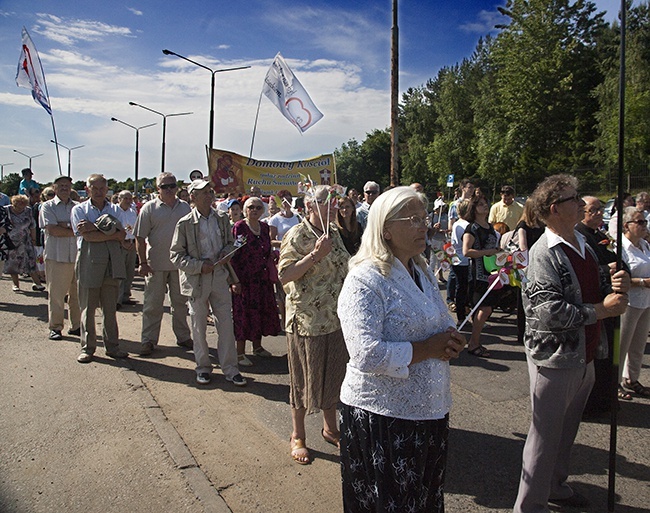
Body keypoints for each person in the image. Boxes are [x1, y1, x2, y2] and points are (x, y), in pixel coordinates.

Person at [337, 186, 466, 512]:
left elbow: (435, 324)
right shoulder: (365, 279)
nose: (425, 226)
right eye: (414, 219)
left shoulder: (420, 270)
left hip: (430, 410)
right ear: (386, 230)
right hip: (384, 418)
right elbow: (365, 353)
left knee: (423, 500)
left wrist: (450, 339)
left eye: (424, 218)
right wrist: (428, 348)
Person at [513, 174, 629, 513]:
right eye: (573, 199)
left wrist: (614, 279)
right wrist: (601, 310)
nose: (581, 204)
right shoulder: (542, 254)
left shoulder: (583, 242)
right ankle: (529, 506)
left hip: (585, 354)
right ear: (555, 209)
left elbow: (593, 285)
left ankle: (556, 486)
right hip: (555, 359)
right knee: (544, 436)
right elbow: (548, 312)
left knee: (566, 432)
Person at [278, 185, 350, 465]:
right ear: (310, 206)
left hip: (334, 318)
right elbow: (284, 275)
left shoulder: (334, 233)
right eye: (326, 202)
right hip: (306, 320)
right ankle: (298, 435)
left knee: (333, 374)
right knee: (303, 380)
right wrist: (315, 255)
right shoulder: (297, 234)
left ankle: (330, 428)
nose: (333, 206)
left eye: (334, 201)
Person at [170, 179, 246, 386]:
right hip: (197, 281)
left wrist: (225, 253)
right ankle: (203, 367)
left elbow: (231, 244)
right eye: (203, 192)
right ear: (192, 197)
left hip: (220, 277)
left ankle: (230, 368)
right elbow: (176, 256)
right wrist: (199, 266)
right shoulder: (184, 223)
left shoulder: (221, 218)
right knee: (198, 325)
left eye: (210, 191)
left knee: (226, 324)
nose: (208, 195)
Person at [70, 174, 129, 363]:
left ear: (107, 190)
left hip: (112, 261)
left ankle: (113, 347)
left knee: (110, 308)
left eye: (102, 188)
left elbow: (122, 235)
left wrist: (93, 228)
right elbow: (87, 238)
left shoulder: (116, 209)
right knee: (88, 307)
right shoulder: (79, 209)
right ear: (87, 190)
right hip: (89, 260)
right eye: (94, 188)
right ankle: (87, 348)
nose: (98, 192)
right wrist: (109, 232)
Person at [134, 172, 192, 356]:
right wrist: (142, 262)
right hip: (155, 265)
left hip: (179, 266)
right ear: (157, 188)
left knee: (180, 304)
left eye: (172, 185)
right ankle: (148, 340)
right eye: (164, 186)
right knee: (152, 305)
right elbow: (140, 237)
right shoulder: (149, 208)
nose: (169, 189)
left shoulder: (185, 208)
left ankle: (183, 337)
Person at [575, 196, 619, 414]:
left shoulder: (600, 235)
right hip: (593, 304)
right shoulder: (580, 236)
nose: (599, 214)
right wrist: (606, 268)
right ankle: (592, 402)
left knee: (610, 352)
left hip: (610, 300)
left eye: (601, 210)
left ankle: (605, 396)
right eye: (593, 210)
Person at [231, 196, 281, 366]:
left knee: (259, 313)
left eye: (258, 207)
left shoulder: (265, 227)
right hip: (244, 281)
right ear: (245, 209)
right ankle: (239, 353)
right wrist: (234, 280)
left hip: (262, 280)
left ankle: (257, 347)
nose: (254, 210)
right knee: (243, 315)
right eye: (251, 207)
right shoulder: (240, 228)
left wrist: (273, 255)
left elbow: (266, 250)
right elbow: (234, 255)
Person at [462, 194, 504, 357]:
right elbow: (466, 251)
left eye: (485, 203)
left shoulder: (490, 227)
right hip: (479, 273)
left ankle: (475, 341)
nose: (484, 206)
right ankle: (473, 343)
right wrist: (488, 252)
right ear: (473, 208)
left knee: (487, 308)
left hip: (492, 272)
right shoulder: (472, 228)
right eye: (480, 204)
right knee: (483, 308)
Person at [39, 176, 80, 340]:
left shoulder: (78, 207)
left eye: (67, 186)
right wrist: (74, 229)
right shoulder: (47, 207)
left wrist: (64, 226)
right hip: (57, 257)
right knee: (56, 295)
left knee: (77, 295)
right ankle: (55, 327)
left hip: (77, 257)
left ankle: (76, 326)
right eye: (61, 186)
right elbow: (52, 230)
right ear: (54, 188)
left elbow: (85, 228)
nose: (64, 188)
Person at [618, 206, 650, 399]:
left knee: (638, 344)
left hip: (646, 302)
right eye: (639, 222)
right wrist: (643, 282)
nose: (643, 225)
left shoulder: (645, 246)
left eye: (645, 222)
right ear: (626, 226)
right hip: (629, 303)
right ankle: (615, 382)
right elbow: (620, 278)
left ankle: (632, 378)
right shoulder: (621, 248)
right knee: (622, 344)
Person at [513, 198, 545, 344]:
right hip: (528, 266)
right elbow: (523, 247)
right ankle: (522, 333)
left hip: (541, 265)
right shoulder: (523, 226)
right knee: (524, 302)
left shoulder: (542, 225)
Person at [3, 194, 44, 292]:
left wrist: (33, 239)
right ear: (14, 203)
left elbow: (32, 225)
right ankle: (16, 285)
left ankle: (37, 284)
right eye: (18, 205)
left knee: (31, 262)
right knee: (13, 263)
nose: (21, 207)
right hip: (11, 241)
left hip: (25, 240)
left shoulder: (28, 210)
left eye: (23, 205)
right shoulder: (6, 210)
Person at [116, 190, 138, 308]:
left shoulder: (132, 212)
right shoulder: (115, 211)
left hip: (131, 243)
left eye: (130, 199)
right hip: (119, 244)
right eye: (126, 198)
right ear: (119, 199)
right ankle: (117, 299)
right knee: (119, 273)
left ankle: (125, 296)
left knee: (129, 273)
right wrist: (122, 242)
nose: (128, 201)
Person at [451, 199, 471, 325]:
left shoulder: (457, 223)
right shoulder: (466, 225)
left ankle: (461, 316)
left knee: (460, 289)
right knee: (464, 289)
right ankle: (462, 316)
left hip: (456, 257)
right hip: (464, 259)